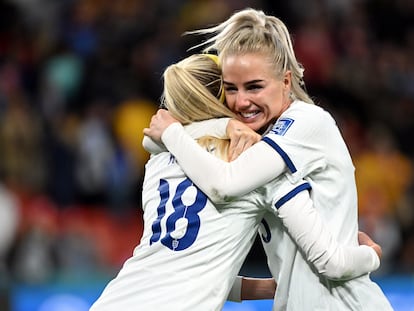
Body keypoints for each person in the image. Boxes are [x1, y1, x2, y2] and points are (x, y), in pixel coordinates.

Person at [143, 8, 393, 311]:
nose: (241, 101)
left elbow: (224, 182)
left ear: (286, 82)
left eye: (254, 86)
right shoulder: (254, 146)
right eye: (231, 89)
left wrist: (373, 254)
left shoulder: (306, 122)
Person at [91, 54, 380, 311]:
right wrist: (370, 254)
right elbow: (332, 262)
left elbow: (192, 269)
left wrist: (273, 287)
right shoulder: (250, 164)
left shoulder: (159, 162)